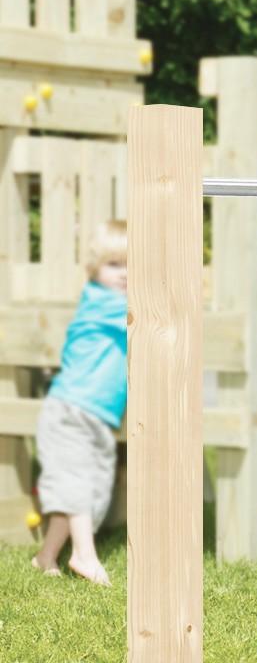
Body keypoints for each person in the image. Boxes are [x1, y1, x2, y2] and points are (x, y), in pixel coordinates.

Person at [31, 220, 128, 585]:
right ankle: (85, 556)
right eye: (114, 265)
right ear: (93, 270)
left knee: (92, 492)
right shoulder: (102, 303)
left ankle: (45, 557)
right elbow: (148, 313)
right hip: (70, 411)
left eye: (132, 264)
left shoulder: (118, 303)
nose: (124, 274)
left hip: (97, 418)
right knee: (76, 485)